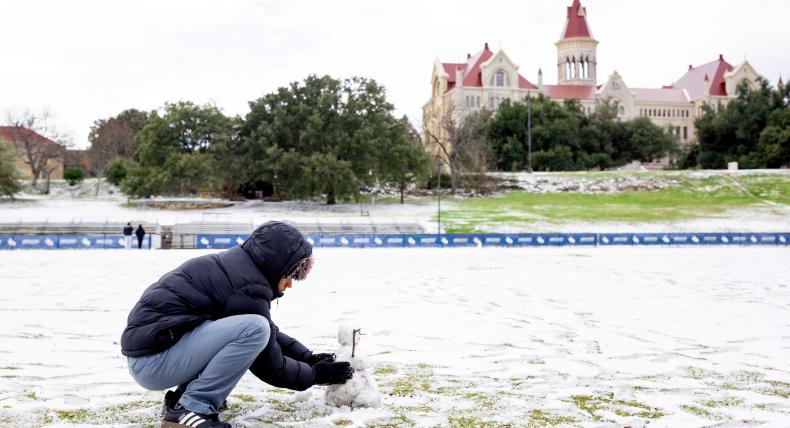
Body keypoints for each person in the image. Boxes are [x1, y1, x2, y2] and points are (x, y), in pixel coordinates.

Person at [121, 221, 353, 428]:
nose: (290, 285)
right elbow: (269, 364)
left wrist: (307, 357)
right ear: (278, 266)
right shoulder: (245, 286)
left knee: (254, 328)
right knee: (254, 329)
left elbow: (268, 335)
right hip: (153, 362)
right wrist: (314, 374)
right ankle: (191, 409)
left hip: (155, 355)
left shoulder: (237, 270)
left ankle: (183, 399)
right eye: (292, 276)